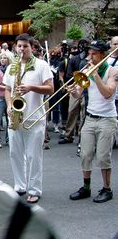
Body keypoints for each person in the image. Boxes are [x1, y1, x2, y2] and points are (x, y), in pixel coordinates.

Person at [4, 33, 54, 203]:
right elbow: (7, 89)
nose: (22, 49)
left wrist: (32, 87)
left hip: (34, 117)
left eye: (25, 46)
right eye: (19, 46)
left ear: (32, 47)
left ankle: (34, 189)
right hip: (15, 117)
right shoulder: (12, 66)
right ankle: (20, 186)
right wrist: (9, 105)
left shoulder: (42, 65)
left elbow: (50, 88)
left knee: (33, 156)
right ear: (15, 47)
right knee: (15, 153)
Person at [68, 40, 118, 203]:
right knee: (85, 154)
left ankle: (106, 189)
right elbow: (79, 93)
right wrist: (72, 92)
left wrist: (95, 74)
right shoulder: (87, 70)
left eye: (93, 53)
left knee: (103, 156)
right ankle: (86, 187)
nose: (89, 57)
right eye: (89, 53)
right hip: (90, 117)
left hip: (107, 119)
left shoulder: (112, 71)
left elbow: (108, 93)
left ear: (102, 54)